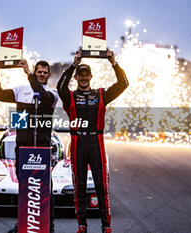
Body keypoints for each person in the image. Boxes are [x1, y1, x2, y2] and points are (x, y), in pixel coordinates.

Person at [57, 50, 129, 233]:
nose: (83, 78)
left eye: (86, 75)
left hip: (97, 141)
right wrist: (73, 63)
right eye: (79, 75)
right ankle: (82, 224)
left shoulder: (101, 94)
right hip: (78, 142)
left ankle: (106, 226)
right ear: (76, 77)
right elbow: (60, 86)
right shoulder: (70, 96)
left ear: (91, 76)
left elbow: (123, 84)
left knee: (101, 186)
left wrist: (114, 62)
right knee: (79, 186)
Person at [0, 59, 58, 233]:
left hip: (42, 147)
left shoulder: (52, 93)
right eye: (39, 72)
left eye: (45, 72)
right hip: (22, 145)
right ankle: (22, 223)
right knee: (24, 185)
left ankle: (49, 225)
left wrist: (29, 74)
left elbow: (42, 97)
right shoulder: (20, 90)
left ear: (49, 75)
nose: (42, 74)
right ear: (36, 73)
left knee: (45, 186)